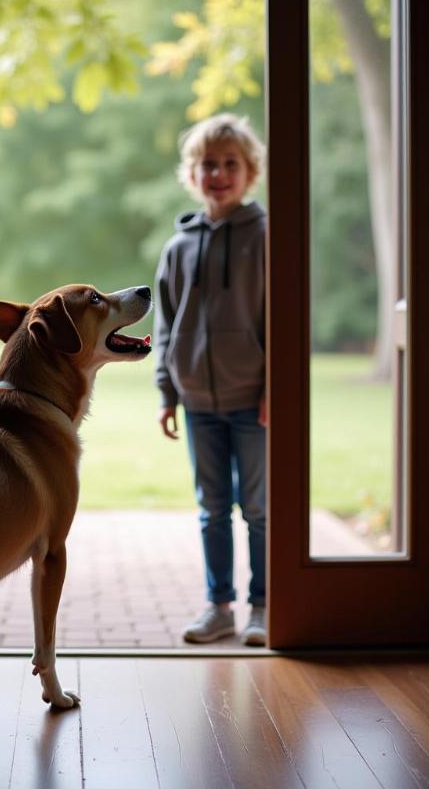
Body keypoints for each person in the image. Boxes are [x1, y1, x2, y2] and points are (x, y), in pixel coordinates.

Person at [154, 113, 267, 646]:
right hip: (197, 398)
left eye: (230, 164)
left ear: (251, 172)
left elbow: (280, 321)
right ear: (191, 174)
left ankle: (265, 604)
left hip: (254, 401)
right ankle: (219, 606)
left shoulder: (266, 238)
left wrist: (273, 390)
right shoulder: (178, 248)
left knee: (260, 508)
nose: (218, 173)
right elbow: (165, 324)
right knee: (212, 507)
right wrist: (167, 392)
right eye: (207, 164)